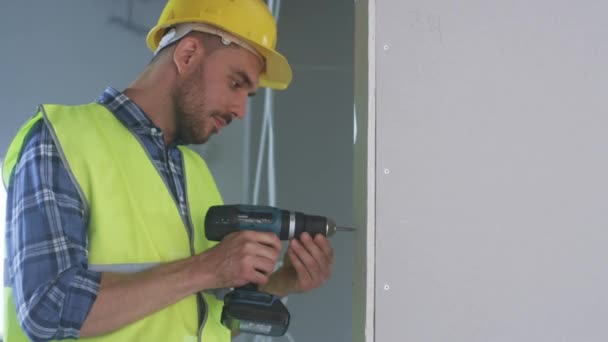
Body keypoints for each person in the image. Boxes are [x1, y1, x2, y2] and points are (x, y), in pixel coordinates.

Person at [1, 0, 335, 341]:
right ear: (188, 55)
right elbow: (48, 308)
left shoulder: (195, 172)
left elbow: (197, 323)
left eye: (248, 96)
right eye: (236, 83)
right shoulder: (61, 139)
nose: (240, 110)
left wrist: (281, 282)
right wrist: (207, 268)